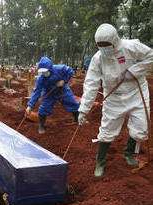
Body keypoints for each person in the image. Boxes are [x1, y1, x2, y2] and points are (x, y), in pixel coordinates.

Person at [78, 23, 153, 177]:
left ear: (114, 40)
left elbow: (151, 57)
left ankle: (129, 153)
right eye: (100, 45)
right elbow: (91, 84)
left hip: (136, 92)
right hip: (113, 97)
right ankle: (100, 162)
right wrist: (83, 109)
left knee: (141, 128)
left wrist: (135, 71)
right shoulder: (97, 59)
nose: (104, 48)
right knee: (107, 130)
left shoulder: (131, 47)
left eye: (106, 45)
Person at [25, 57, 80, 134]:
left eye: (45, 71)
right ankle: (41, 126)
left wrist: (64, 80)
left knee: (72, 103)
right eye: (42, 72)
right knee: (43, 108)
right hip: (48, 92)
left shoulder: (59, 69)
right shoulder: (41, 78)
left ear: (50, 68)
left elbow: (70, 71)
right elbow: (37, 91)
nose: (44, 73)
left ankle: (77, 119)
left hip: (62, 89)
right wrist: (30, 106)